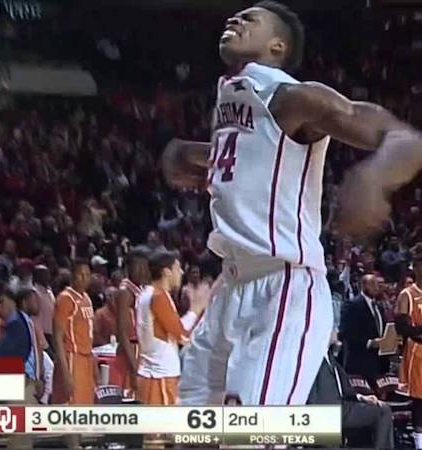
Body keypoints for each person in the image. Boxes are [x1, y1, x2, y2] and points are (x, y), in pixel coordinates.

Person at [163, 0, 422, 406]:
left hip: (283, 286)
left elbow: (405, 140)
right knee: (194, 430)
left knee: (251, 435)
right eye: (236, 15)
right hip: (230, 285)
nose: (235, 20)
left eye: (250, 19)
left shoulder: (293, 98)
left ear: (277, 46)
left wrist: (372, 179)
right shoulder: (233, 101)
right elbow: (243, 153)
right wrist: (185, 156)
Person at [136, 250, 205, 407]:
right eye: (177, 268)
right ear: (166, 272)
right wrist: (196, 310)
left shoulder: (146, 294)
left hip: (153, 371)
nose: (181, 272)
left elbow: (172, 329)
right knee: (162, 429)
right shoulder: (159, 297)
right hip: (160, 374)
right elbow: (182, 336)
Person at [307, 330, 393, 449]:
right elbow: (309, 396)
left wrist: (361, 397)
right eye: (333, 329)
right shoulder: (310, 359)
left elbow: (344, 386)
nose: (337, 331)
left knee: (383, 410)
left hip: (344, 407)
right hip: (325, 413)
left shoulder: (330, 356)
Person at [52, 259, 95, 450]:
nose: (84, 278)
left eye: (87, 274)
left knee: (82, 410)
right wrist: (65, 372)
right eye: (80, 274)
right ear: (72, 275)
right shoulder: (65, 299)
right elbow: (57, 336)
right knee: (71, 410)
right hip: (72, 356)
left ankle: (77, 444)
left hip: (85, 357)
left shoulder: (86, 298)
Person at [0, 285, 42, 450]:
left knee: (19, 438)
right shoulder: (20, 322)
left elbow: (10, 359)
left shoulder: (17, 325)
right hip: (24, 384)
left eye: (1, 302)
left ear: (13, 303)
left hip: (21, 385)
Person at [113, 245, 151, 397]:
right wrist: (134, 367)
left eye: (144, 266)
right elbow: (122, 333)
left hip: (140, 350)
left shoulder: (140, 289)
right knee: (130, 399)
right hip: (130, 352)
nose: (142, 271)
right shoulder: (125, 292)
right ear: (128, 268)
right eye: (138, 266)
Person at [340, 274, 390, 381]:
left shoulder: (378, 306)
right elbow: (347, 332)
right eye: (373, 284)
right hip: (360, 362)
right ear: (364, 285)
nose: (377, 287)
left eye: (377, 284)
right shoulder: (352, 305)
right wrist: (370, 343)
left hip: (379, 363)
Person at [396, 247, 422, 449]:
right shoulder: (407, 294)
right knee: (420, 400)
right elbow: (403, 327)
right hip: (417, 351)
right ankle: (418, 441)